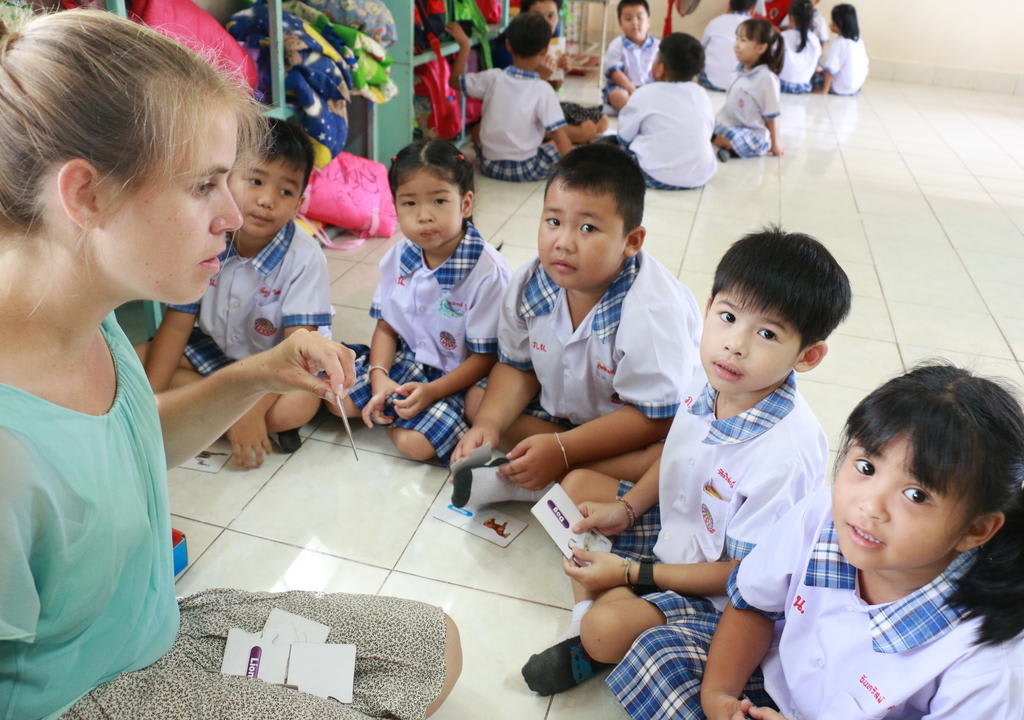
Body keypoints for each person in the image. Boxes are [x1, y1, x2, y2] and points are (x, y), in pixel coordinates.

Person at [0, 11, 460, 720]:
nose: (232, 212)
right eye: (204, 184)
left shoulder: (88, 306)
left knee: (432, 644)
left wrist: (260, 374)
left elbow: (127, 444)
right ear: (86, 195)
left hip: (160, 633)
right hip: (88, 699)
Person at [521, 228, 852, 712]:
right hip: (680, 531)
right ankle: (590, 624)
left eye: (766, 333)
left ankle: (592, 630)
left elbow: (745, 576)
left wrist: (634, 572)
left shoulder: (786, 453)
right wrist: (628, 509)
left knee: (607, 628)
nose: (735, 345)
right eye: (728, 317)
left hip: (720, 595)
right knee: (576, 489)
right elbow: (678, 456)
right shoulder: (711, 375)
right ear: (708, 306)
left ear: (809, 355)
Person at [702, 364, 1024, 720]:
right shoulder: (823, 514)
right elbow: (753, 604)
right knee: (656, 650)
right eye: (867, 468)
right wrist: (719, 697)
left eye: (916, 495)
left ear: (975, 530)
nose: (870, 506)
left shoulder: (990, 663)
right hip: (775, 685)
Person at [449, 143, 703, 507]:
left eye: (587, 228)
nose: (563, 243)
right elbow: (517, 366)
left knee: (673, 457)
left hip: (639, 426)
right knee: (479, 403)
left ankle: (539, 475)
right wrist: (488, 425)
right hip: (568, 417)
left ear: (631, 241)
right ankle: (549, 467)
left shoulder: (651, 313)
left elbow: (656, 418)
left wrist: (562, 450)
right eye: (553, 221)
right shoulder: (529, 283)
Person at [140, 117, 330, 469]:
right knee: (136, 360)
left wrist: (250, 413)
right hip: (215, 353)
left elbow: (298, 351)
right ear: (227, 178)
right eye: (255, 181)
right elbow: (177, 325)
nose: (267, 200)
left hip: (277, 364)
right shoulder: (207, 236)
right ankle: (211, 405)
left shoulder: (305, 256)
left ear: (300, 201)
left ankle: (214, 409)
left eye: (285, 191)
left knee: (296, 408)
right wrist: (147, 404)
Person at [330, 140, 509, 463]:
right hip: (409, 358)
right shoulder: (399, 255)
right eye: (409, 203)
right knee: (336, 399)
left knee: (417, 446)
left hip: (457, 376)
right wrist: (380, 376)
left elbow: (484, 358)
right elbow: (386, 327)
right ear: (396, 207)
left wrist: (431, 393)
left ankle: (398, 417)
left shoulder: (487, 273)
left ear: (465, 204)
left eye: (439, 201)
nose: (424, 216)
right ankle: (395, 407)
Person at [448, 12, 570, 182]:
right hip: (525, 168)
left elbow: (455, 82)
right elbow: (559, 134)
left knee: (478, 131)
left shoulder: (493, 77)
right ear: (545, 49)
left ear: (508, 46)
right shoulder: (543, 88)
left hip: (488, 165)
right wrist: (575, 173)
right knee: (555, 147)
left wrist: (465, 46)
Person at [616, 32, 716, 190]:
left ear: (660, 69)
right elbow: (708, 130)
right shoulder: (701, 94)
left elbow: (624, 136)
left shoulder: (645, 93)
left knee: (613, 152)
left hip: (654, 176)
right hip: (700, 176)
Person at [519, 0, 609, 145]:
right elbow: (518, 98)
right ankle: (546, 133)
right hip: (526, 113)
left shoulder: (553, 41)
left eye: (551, 16)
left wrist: (562, 70)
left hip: (547, 107)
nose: (546, 23)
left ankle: (549, 134)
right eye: (537, 16)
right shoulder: (519, 45)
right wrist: (540, 76)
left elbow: (555, 88)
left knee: (602, 121)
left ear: (558, 17)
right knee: (586, 132)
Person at [711, 18, 784, 161]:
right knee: (706, 124)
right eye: (736, 39)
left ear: (761, 48)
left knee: (731, 136)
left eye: (743, 40)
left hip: (751, 133)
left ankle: (726, 145)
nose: (736, 46)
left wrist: (775, 144)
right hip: (730, 124)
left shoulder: (766, 78)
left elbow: (771, 116)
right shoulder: (737, 70)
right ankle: (728, 148)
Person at [603, 0, 659, 111]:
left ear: (648, 21)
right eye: (628, 19)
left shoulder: (658, 46)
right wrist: (632, 90)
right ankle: (637, 110)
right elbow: (615, 73)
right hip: (623, 87)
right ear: (620, 23)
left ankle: (644, 108)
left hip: (650, 87)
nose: (634, 22)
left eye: (640, 17)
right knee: (618, 97)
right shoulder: (617, 45)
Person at [699, 0, 756, 92]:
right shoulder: (757, 27)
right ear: (753, 9)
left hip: (709, 82)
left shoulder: (715, 22)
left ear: (729, 5)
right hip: (743, 87)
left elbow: (701, 48)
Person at [813, 3, 868, 96]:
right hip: (855, 87)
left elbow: (830, 70)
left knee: (811, 75)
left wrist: (824, 91)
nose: (830, 24)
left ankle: (825, 88)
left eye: (833, 21)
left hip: (839, 88)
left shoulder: (839, 43)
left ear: (840, 24)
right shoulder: (858, 41)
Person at [778, 0, 822, 94]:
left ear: (791, 18)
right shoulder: (815, 40)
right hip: (804, 86)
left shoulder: (783, 36)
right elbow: (816, 65)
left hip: (782, 85)